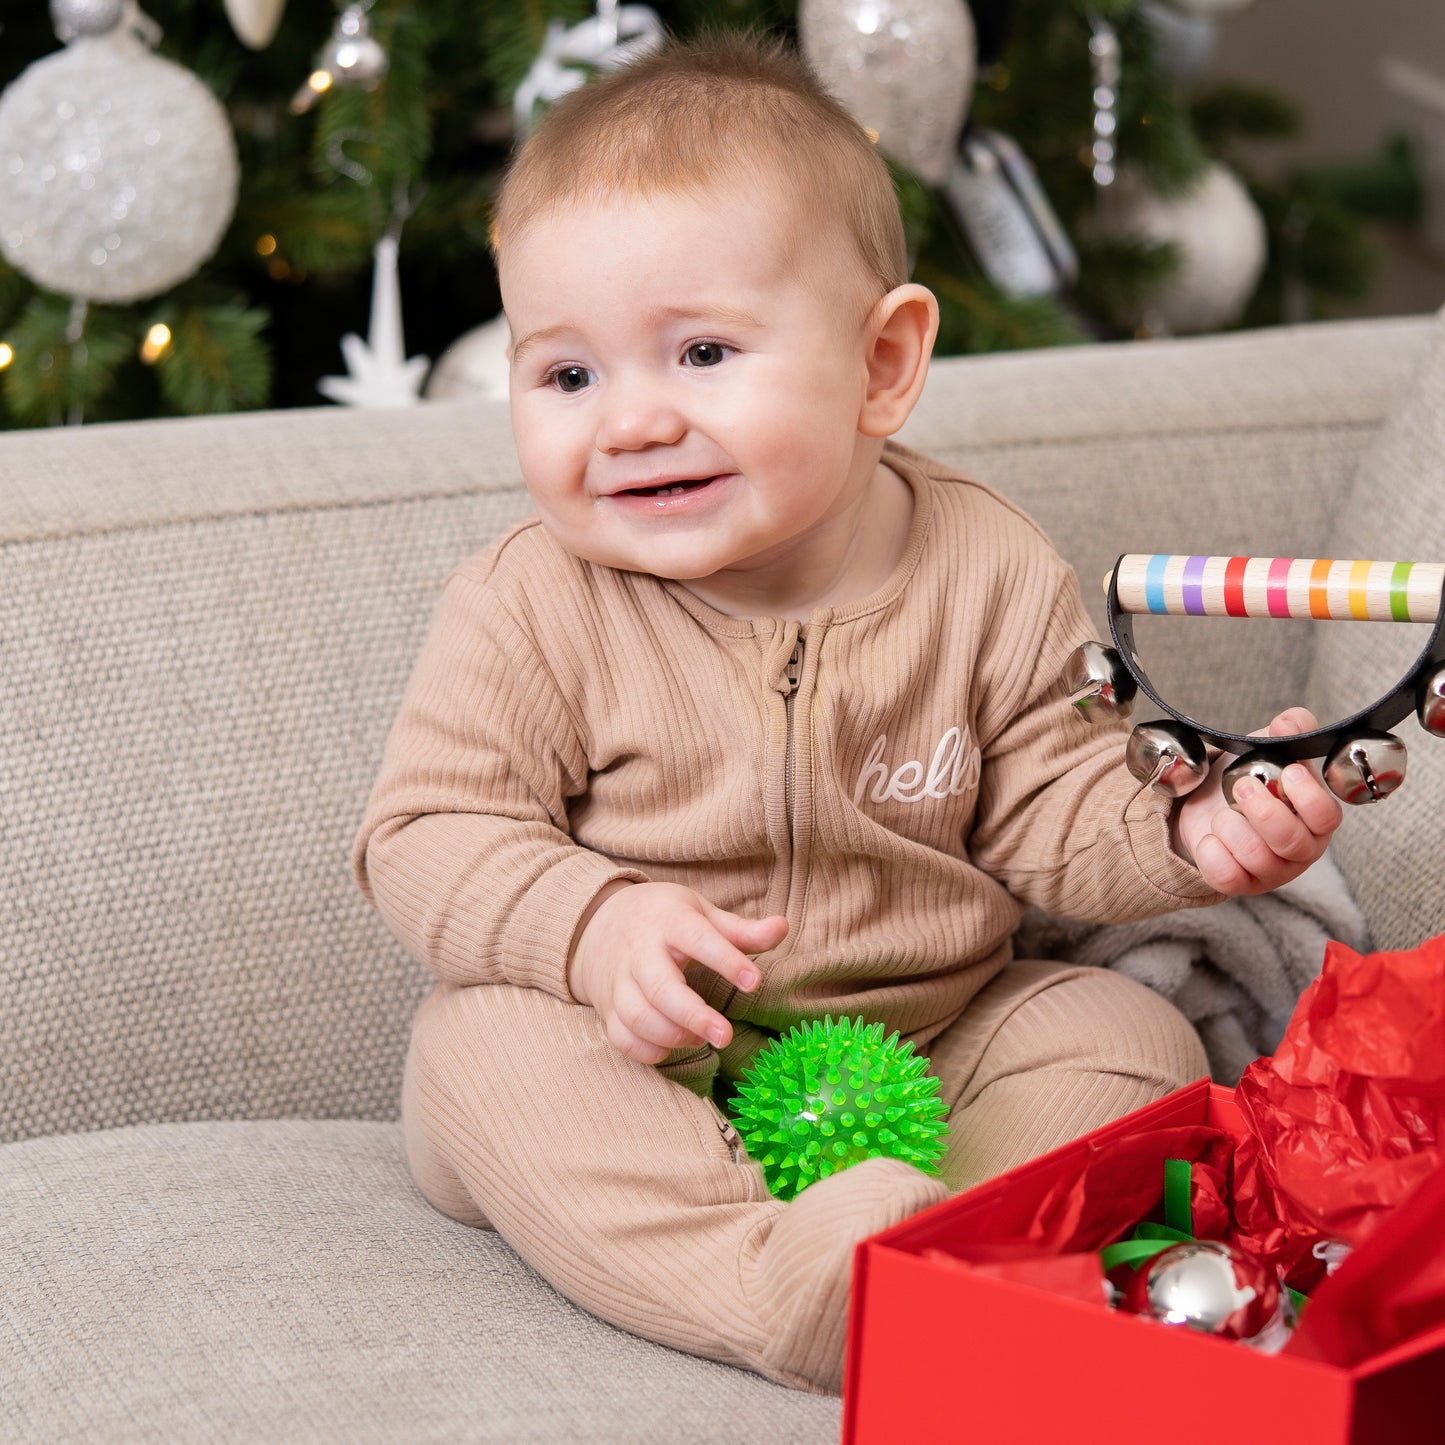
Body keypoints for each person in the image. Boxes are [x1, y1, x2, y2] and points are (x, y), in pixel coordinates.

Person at [352, 31, 1342, 1394]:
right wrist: (591, 926)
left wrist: (1197, 834)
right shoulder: (533, 603)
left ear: (882, 361)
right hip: (644, 1053)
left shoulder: (983, 565)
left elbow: (1054, 810)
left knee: (1126, 1038)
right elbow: (423, 830)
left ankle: (935, 1241)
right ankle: (770, 1286)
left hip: (925, 1035)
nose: (627, 421)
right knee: (479, 1044)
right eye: (566, 374)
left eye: (699, 351)